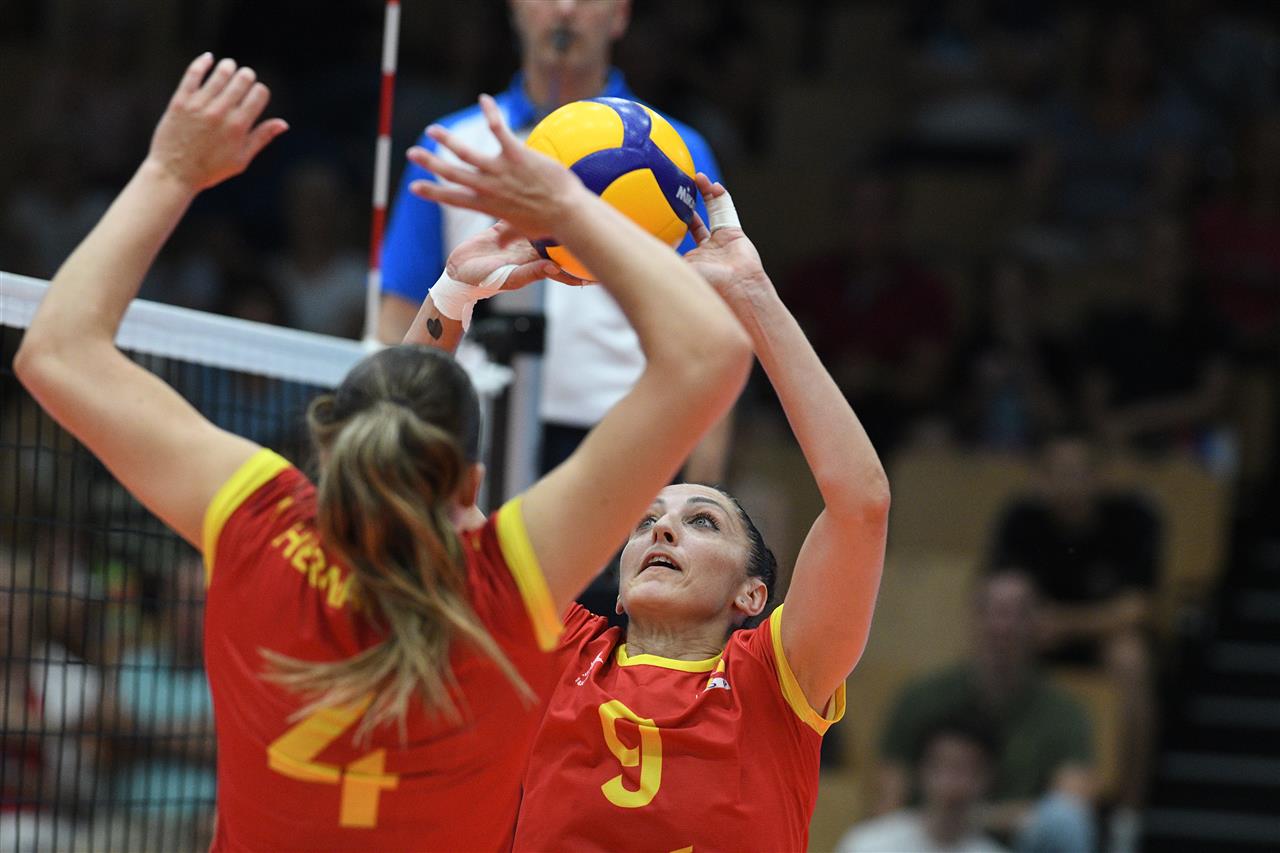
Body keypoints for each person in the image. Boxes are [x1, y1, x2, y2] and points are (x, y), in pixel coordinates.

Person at [13, 55, 750, 852]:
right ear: (471, 484)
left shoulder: (261, 526)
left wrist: (169, 170)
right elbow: (709, 355)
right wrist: (568, 206)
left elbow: (55, 352)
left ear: (335, 448)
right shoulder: (505, 587)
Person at [463, 172, 884, 851]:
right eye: (646, 520)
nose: (661, 526)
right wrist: (453, 296)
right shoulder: (561, 651)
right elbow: (406, 489)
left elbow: (861, 505)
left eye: (702, 521)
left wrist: (751, 292)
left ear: (752, 594)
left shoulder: (775, 678)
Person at [377, 0, 731, 485]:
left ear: (621, 14)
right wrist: (386, 449)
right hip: (473, 429)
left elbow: (714, 331)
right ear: (514, 8)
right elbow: (398, 313)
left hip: (626, 434)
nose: (565, 9)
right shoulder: (453, 143)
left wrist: (702, 486)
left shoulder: (678, 151)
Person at [991, 433, 1161, 843]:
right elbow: (998, 591)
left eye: (1080, 472)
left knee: (1131, 657)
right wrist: (1032, 625)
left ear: (1100, 476)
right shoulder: (1021, 520)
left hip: (1097, 636)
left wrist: (1064, 624)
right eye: (1059, 473)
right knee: (996, 637)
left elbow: (1136, 608)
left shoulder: (1133, 517)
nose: (1070, 483)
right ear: (1041, 478)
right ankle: (995, 786)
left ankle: (1127, 812)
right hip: (1035, 633)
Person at [876, 570, 1096, 853]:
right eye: (991, 611)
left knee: (1064, 822)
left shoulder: (1064, 713)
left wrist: (962, 813)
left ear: (1038, 623)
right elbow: (888, 803)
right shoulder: (921, 698)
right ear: (972, 618)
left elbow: (1070, 805)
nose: (1002, 627)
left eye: (1017, 614)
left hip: (1016, 845)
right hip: (925, 840)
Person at [837, 718, 1006, 853]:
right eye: (941, 766)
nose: (951, 784)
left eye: (964, 769)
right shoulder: (868, 843)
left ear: (986, 778)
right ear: (921, 770)